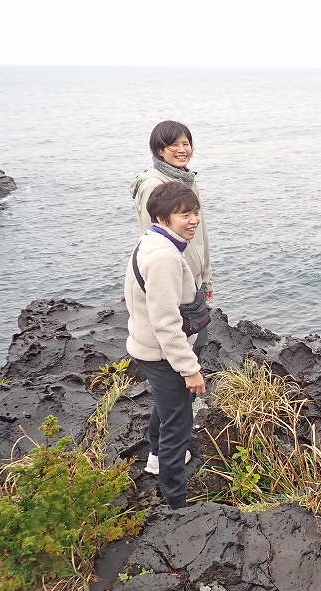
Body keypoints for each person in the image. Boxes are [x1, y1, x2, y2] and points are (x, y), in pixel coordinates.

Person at [125, 181, 207, 510]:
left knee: (165, 408)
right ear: (162, 218)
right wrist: (190, 370)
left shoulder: (152, 242)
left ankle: (156, 456)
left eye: (196, 212)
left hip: (147, 349)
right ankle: (177, 505)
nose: (193, 220)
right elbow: (166, 322)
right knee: (179, 425)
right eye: (184, 214)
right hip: (163, 357)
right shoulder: (163, 258)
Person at [130, 120, 214, 353]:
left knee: (197, 347)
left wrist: (205, 278)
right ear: (159, 150)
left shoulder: (186, 179)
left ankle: (191, 388)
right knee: (180, 350)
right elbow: (156, 241)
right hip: (173, 282)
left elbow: (200, 233)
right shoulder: (154, 185)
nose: (182, 150)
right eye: (173, 145)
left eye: (186, 144)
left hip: (192, 281)